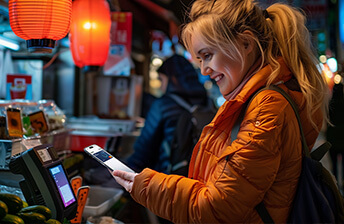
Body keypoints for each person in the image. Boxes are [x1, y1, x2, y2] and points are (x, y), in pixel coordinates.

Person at [111, 0, 329, 222]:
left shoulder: (266, 107)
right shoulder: (255, 100)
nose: (204, 70)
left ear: (246, 43)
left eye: (207, 55)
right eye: (200, 59)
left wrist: (144, 185)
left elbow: (217, 208)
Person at [126, 53, 209, 173]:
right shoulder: (207, 102)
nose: (160, 87)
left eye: (161, 80)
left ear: (173, 79)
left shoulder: (163, 105)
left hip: (169, 180)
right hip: (201, 177)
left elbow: (143, 151)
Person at [326, 81, 344, 187]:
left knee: (334, 164)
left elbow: (327, 120)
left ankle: (336, 182)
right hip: (342, 139)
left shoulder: (330, 104)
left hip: (332, 139)